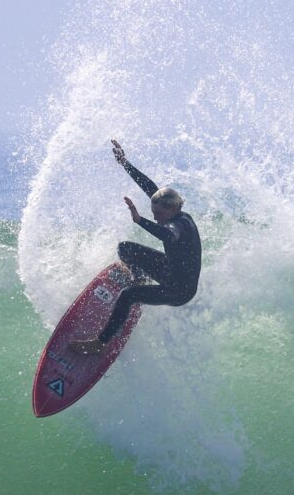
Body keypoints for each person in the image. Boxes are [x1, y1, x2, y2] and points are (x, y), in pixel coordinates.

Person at [71, 140, 201, 355]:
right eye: (153, 213)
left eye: (158, 214)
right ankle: (141, 280)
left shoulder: (179, 225)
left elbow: (168, 234)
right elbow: (150, 188)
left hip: (180, 290)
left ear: (171, 210)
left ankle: (99, 344)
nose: (155, 217)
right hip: (171, 271)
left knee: (128, 295)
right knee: (126, 249)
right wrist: (125, 164)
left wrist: (140, 220)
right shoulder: (173, 209)